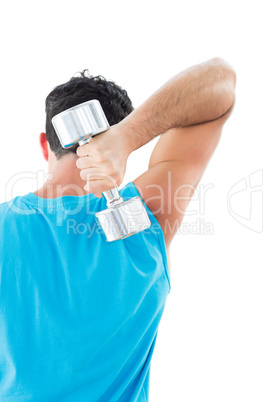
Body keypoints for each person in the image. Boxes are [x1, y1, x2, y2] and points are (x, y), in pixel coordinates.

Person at [0, 58, 236, 401]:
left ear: (43, 144)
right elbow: (222, 82)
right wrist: (127, 137)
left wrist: (122, 137)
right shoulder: (149, 212)